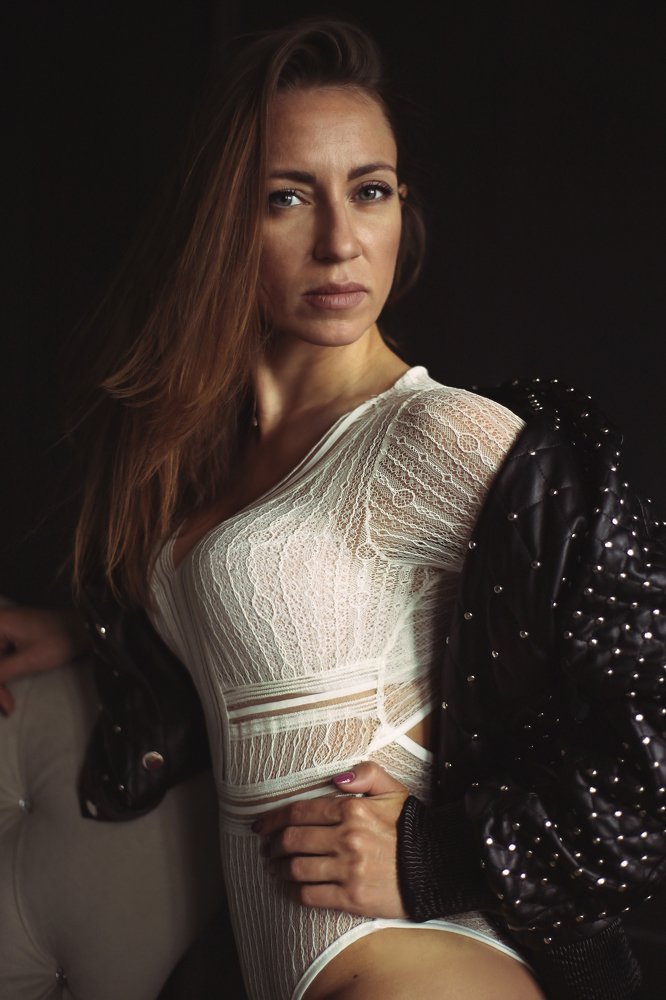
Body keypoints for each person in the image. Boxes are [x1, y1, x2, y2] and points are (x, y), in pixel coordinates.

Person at [1, 17, 664, 1000]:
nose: (340, 241)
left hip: (424, 966)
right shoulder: (214, 451)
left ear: (402, 208)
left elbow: (648, 718)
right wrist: (91, 633)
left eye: (370, 190)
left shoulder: (436, 434)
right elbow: (277, 658)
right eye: (287, 197)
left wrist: (439, 856)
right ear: (222, 221)